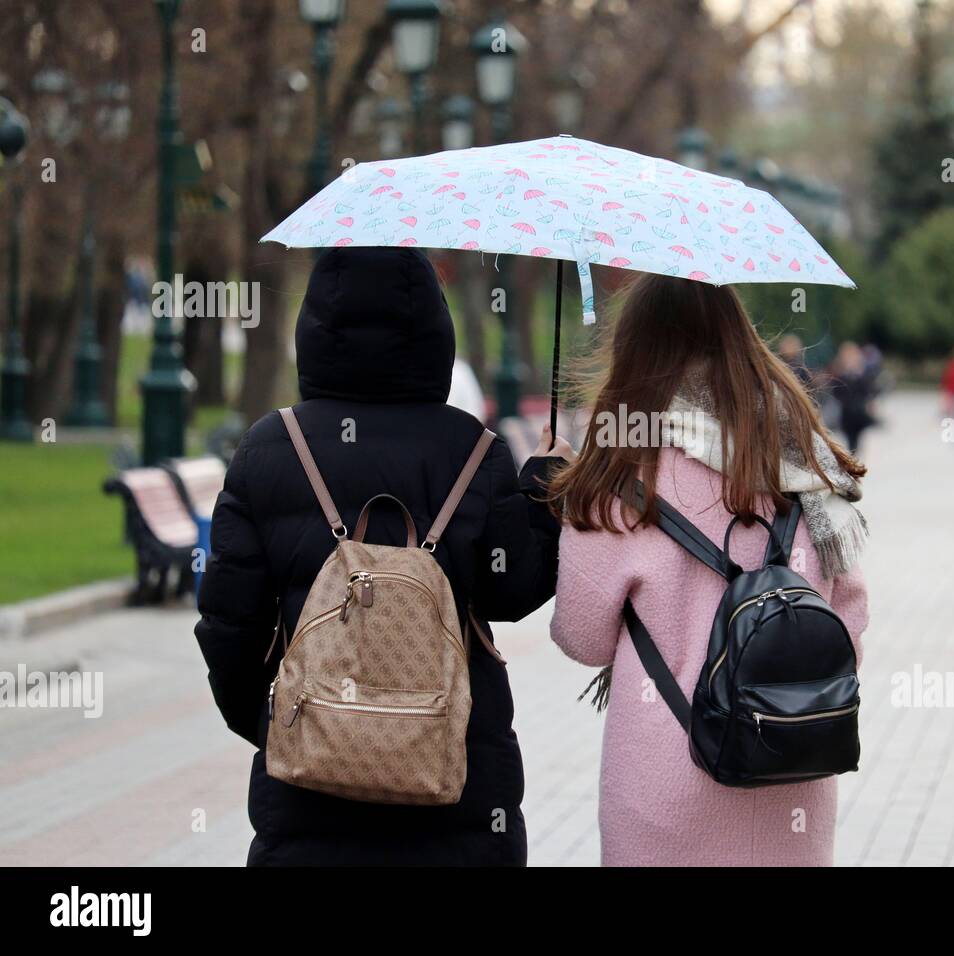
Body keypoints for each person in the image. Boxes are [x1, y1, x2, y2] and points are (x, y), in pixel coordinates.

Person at [195, 247, 573, 866]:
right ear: (434, 330)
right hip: (458, 786)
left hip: (310, 795)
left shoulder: (270, 448)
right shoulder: (473, 451)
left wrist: (276, 729)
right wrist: (544, 490)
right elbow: (512, 590)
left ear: (314, 328)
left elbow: (228, 627)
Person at [546, 274, 870, 866]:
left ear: (637, 350)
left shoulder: (620, 473)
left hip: (664, 785)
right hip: (792, 775)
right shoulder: (807, 459)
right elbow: (847, 629)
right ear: (739, 337)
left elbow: (583, 637)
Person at [829, 341, 874, 456]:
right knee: (849, 437)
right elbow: (835, 390)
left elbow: (867, 389)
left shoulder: (862, 371)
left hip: (858, 411)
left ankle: (854, 453)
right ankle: (852, 453)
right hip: (846, 411)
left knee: (856, 438)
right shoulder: (839, 372)